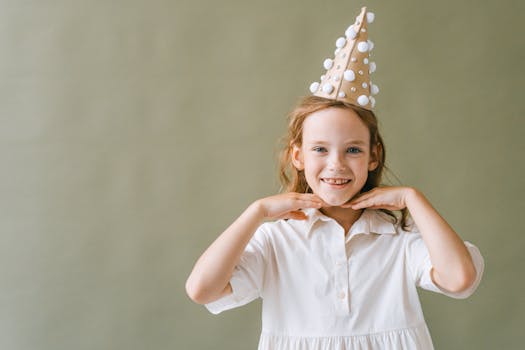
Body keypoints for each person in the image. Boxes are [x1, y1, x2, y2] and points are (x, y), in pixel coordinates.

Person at [185, 7, 484, 350]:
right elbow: (201, 289)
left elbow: (460, 279)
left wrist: (413, 199)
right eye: (320, 150)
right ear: (298, 156)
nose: (336, 164)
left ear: (374, 156)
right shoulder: (276, 240)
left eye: (353, 150)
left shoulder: (397, 238)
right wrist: (256, 212)